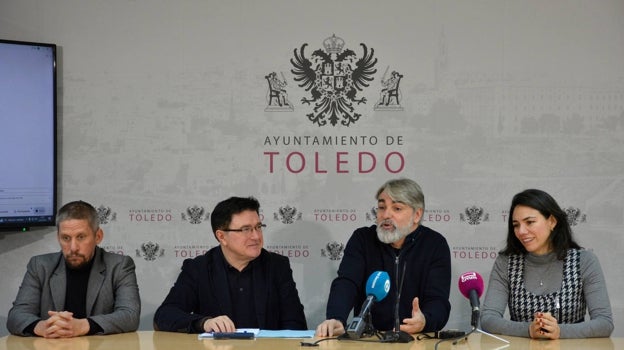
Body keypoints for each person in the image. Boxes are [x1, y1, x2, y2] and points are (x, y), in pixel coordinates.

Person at [316, 178, 451, 337]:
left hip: (415, 339)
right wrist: (336, 317)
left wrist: (425, 321)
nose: (386, 214)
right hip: (369, 339)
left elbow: (438, 300)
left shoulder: (435, 245)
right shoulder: (363, 239)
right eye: (381, 207)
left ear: (417, 214)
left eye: (397, 208)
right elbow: (347, 283)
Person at [153, 196, 307, 333]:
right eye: (246, 229)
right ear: (222, 236)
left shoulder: (277, 266)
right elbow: (164, 315)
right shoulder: (199, 268)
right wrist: (204, 323)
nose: (256, 236)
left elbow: (296, 324)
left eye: (258, 227)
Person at [481, 189, 614, 339]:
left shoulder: (584, 261)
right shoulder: (506, 262)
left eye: (529, 222)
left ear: (552, 221)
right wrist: (528, 330)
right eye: (516, 225)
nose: (521, 231)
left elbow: (604, 323)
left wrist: (559, 331)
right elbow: (488, 319)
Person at [6, 200, 141, 338]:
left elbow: (130, 315)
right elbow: (16, 316)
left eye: (81, 237)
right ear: (58, 237)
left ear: (98, 236)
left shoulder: (119, 266)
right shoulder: (40, 266)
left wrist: (82, 326)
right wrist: (43, 327)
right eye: (66, 238)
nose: (73, 248)